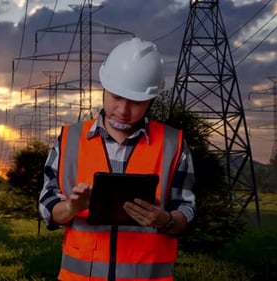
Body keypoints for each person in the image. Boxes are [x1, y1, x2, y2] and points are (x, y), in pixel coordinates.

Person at [38, 37, 196, 281]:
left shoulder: (173, 145)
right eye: (116, 97)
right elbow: (48, 207)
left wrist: (164, 220)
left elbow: (186, 210)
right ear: (104, 88)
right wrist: (72, 207)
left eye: (135, 102)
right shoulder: (69, 140)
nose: (123, 109)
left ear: (151, 100)